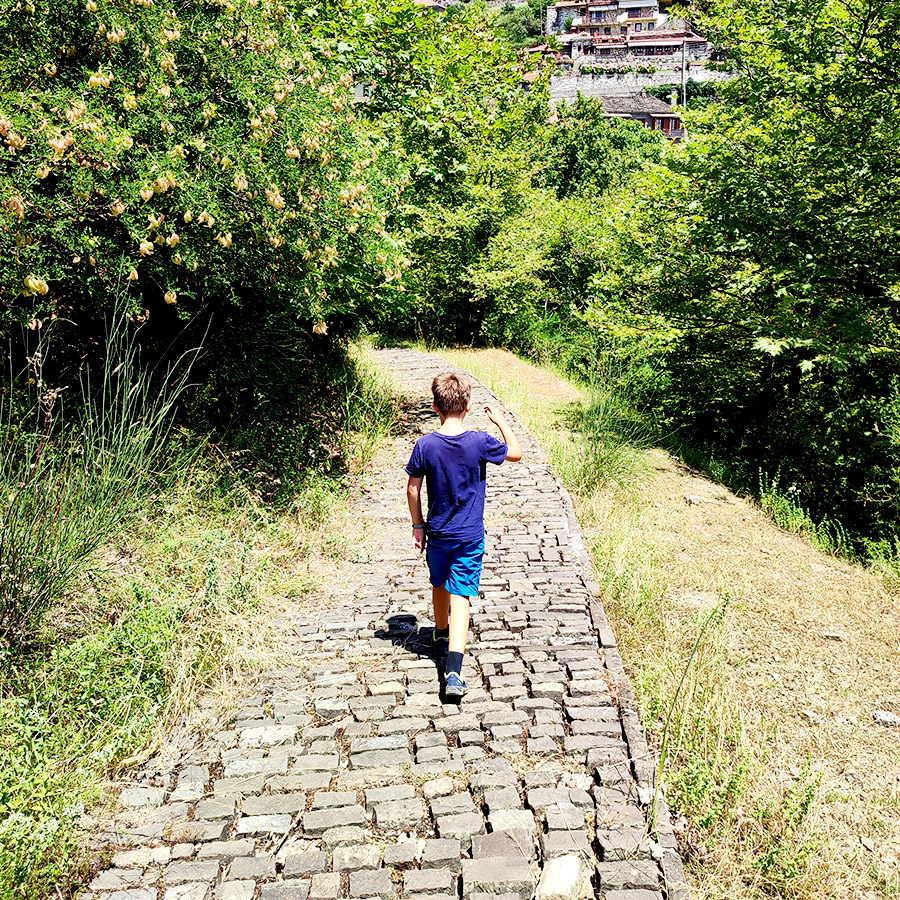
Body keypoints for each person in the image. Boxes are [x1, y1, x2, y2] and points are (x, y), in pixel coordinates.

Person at [405, 372, 522, 698]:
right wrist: (500, 421)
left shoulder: (425, 445)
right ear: (468, 406)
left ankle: (440, 632)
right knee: (462, 595)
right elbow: (516, 452)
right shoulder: (479, 442)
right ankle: (453, 671)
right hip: (469, 535)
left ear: (434, 406)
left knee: (438, 583)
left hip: (438, 533)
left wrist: (418, 526)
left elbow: (413, 488)